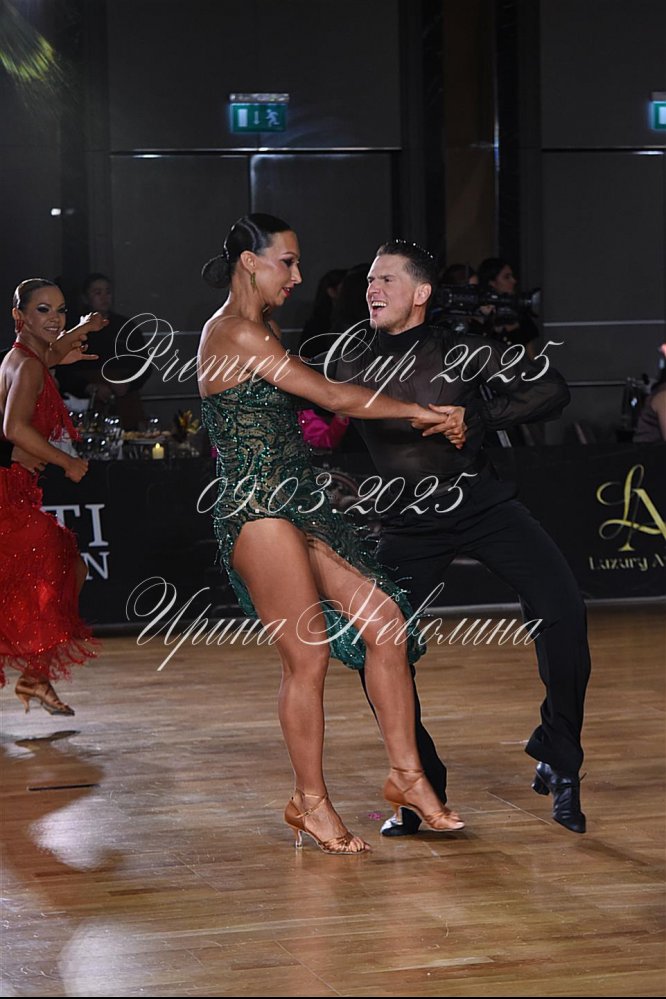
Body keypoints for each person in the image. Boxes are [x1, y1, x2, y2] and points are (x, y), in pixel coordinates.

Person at [197, 214, 467, 854]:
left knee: (385, 623)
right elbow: (334, 397)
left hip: (297, 499)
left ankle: (407, 775)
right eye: (287, 262)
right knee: (308, 657)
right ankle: (310, 802)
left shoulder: (264, 328)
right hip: (256, 507)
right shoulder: (234, 332)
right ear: (249, 262)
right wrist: (421, 412)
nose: (297, 275)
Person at [315, 240, 591, 835]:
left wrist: (480, 417)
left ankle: (558, 751)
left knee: (564, 611)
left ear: (421, 293)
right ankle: (421, 781)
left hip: (484, 507)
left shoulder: (459, 349)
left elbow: (552, 389)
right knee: (374, 647)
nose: (373, 289)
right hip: (406, 523)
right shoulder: (349, 357)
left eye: (387, 279)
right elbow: (304, 400)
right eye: (370, 280)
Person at [0, 279, 105, 715]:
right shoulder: (26, 367)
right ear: (19, 315)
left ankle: (35, 676)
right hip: (6, 491)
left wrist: (82, 328)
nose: (55, 318)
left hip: (18, 489)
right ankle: (35, 676)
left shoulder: (25, 357)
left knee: (63, 567)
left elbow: (51, 352)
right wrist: (67, 463)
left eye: (60, 310)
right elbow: (14, 428)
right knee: (64, 563)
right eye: (44, 310)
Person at [55, 273, 149, 429]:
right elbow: (61, 370)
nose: (104, 297)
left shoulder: (126, 327)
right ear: (86, 298)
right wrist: (87, 387)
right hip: (83, 404)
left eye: (108, 292)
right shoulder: (73, 329)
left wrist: (129, 383)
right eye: (98, 293)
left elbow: (144, 363)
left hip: (124, 401)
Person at [477, 257, 539, 359]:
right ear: (492, 282)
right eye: (506, 277)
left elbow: (531, 356)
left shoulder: (519, 313)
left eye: (512, 276)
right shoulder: (479, 314)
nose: (513, 281)